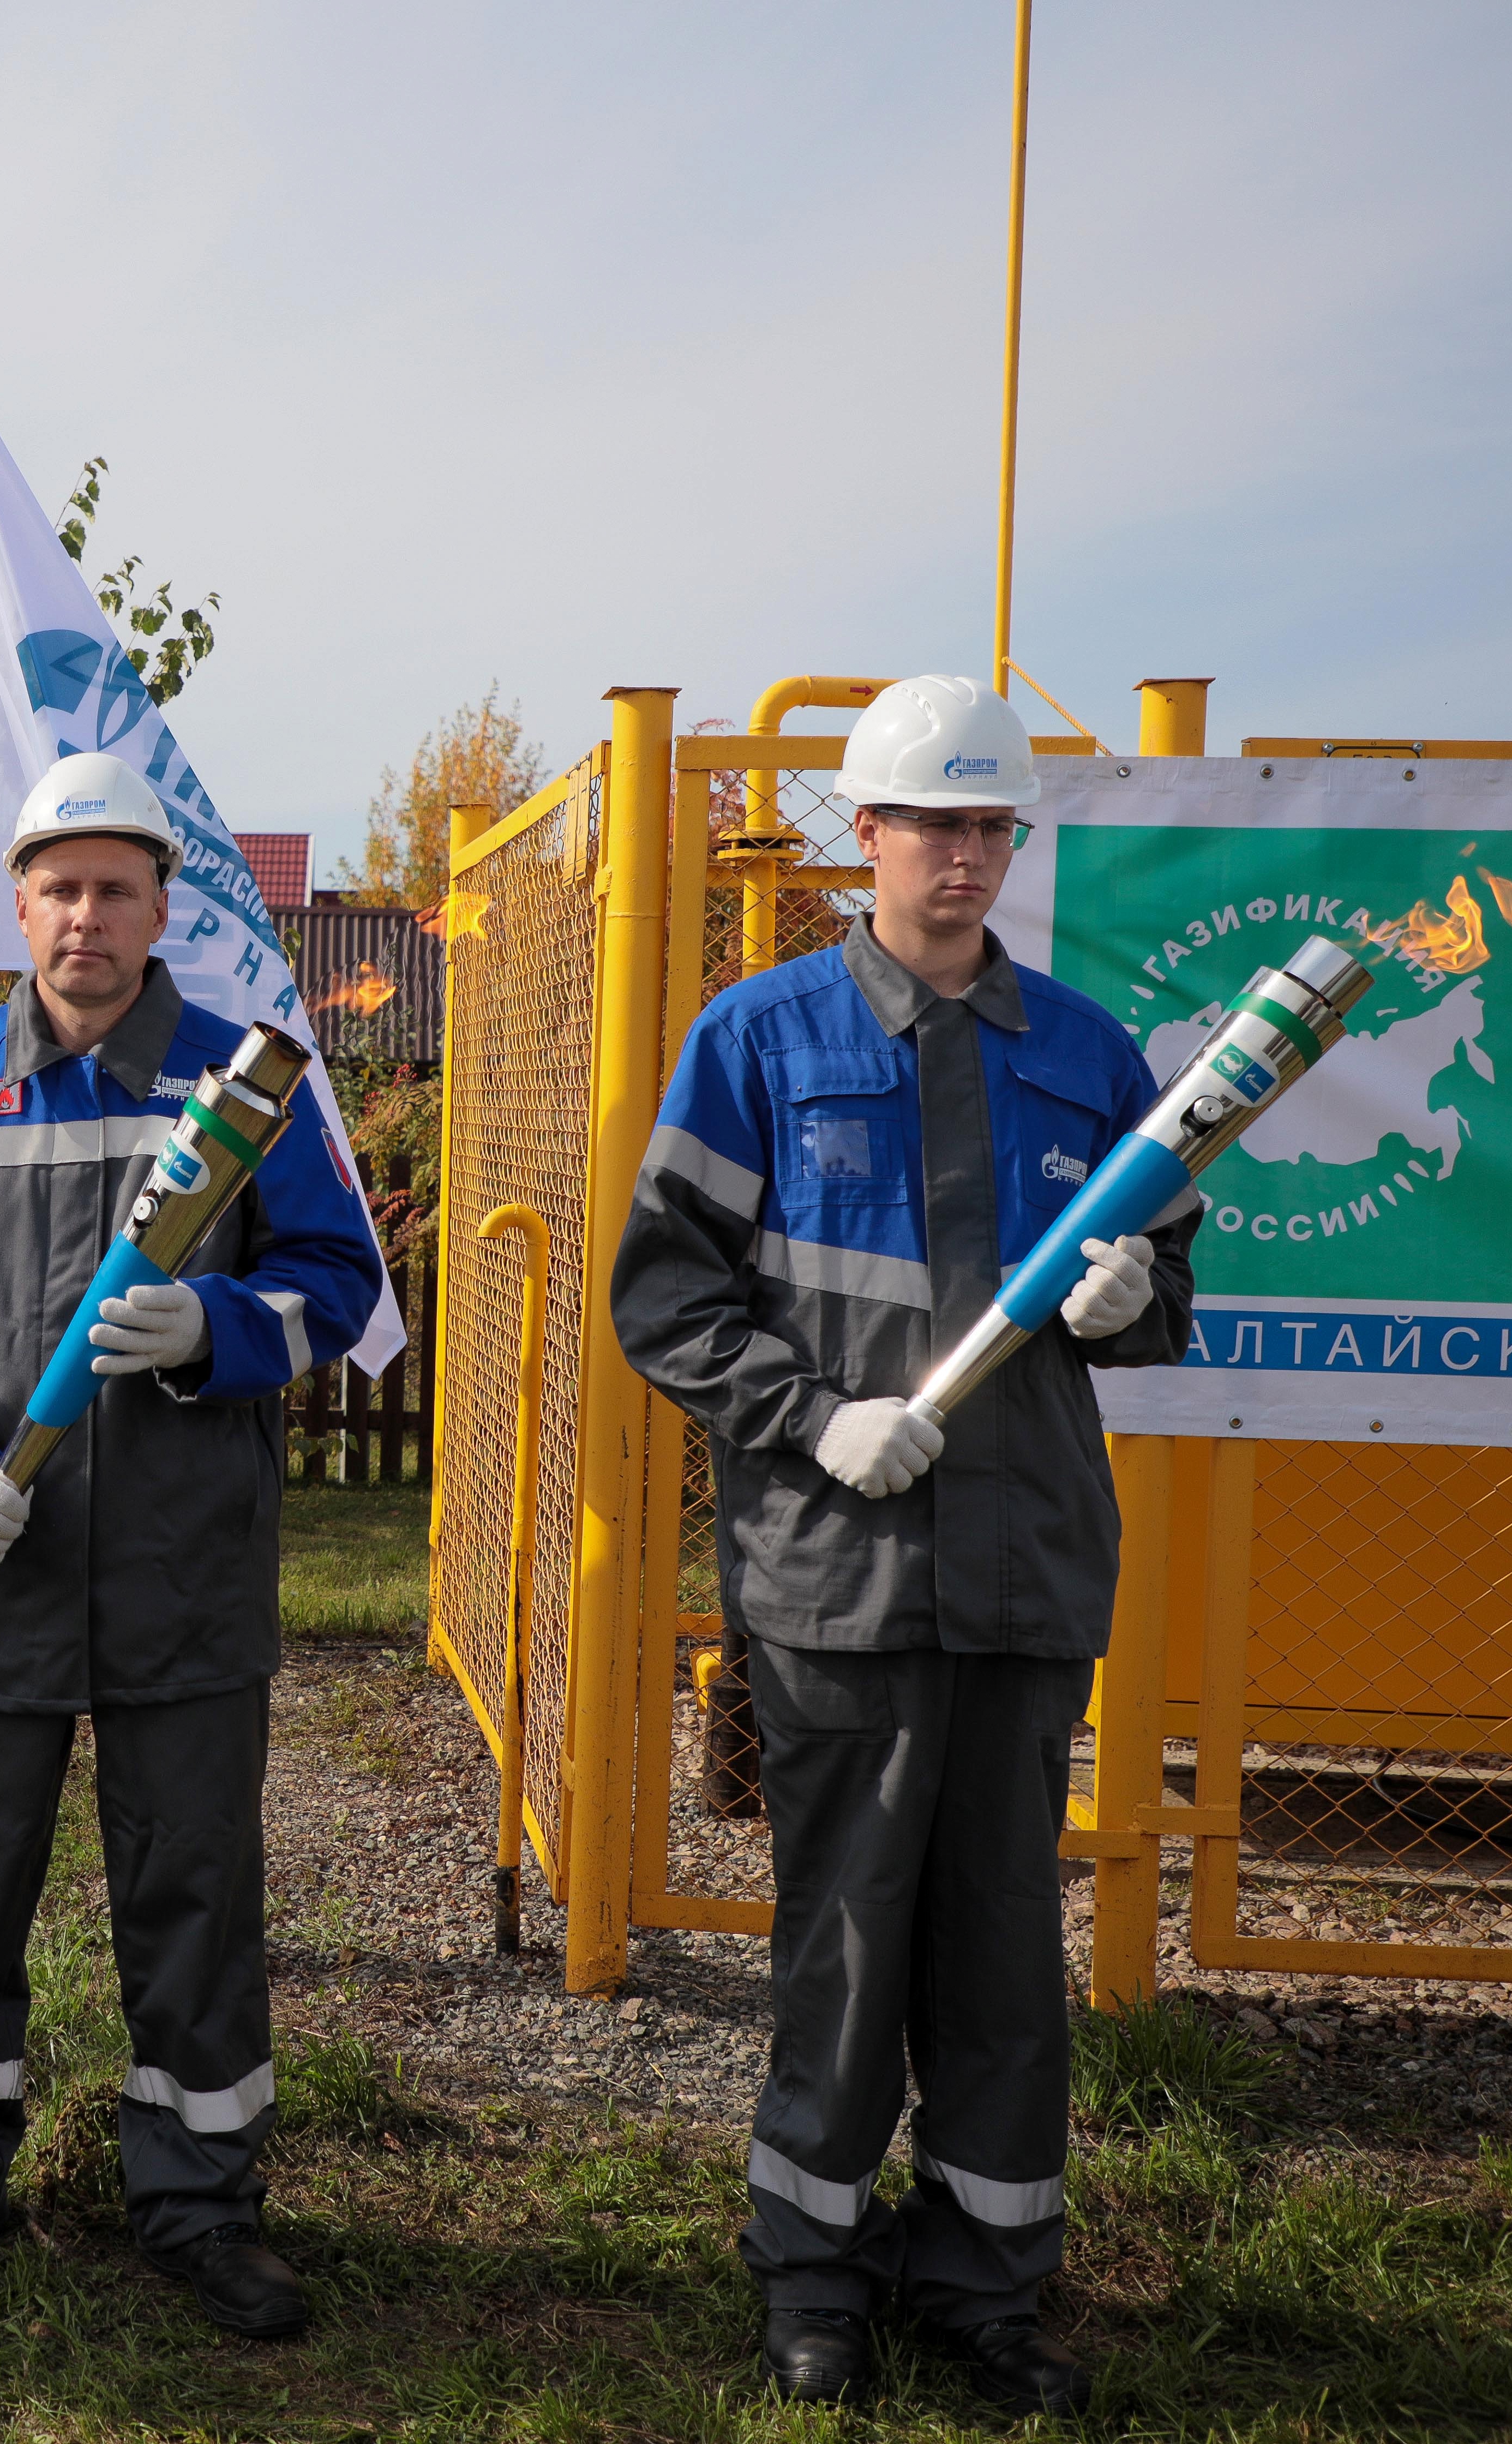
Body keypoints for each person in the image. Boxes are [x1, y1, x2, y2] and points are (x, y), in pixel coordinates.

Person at [609, 675, 1195, 2417]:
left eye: (991, 825)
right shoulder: (762, 1042)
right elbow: (665, 1296)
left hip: (1022, 1576)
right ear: (861, 835)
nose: (964, 855)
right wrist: (807, 1414)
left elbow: (1175, 1296)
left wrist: (1134, 1292)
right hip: (834, 1575)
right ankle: (814, 2281)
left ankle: (989, 2290)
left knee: (1008, 1951)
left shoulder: (1088, 1057)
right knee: (846, 1945)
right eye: (934, 822)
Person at [0, 752, 387, 2339]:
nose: (86, 916)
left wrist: (213, 1322)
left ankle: (200, 2199)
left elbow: (338, 1289)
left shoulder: (248, 1084)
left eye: (116, 888)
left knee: (194, 1893)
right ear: (20, 905)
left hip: (182, 1571)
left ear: (158, 907)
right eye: (59, 887)